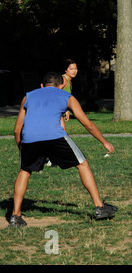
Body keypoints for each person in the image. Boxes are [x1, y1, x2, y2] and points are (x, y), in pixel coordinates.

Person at [10, 72, 117, 227]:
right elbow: (88, 124)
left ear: (42, 85)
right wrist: (104, 142)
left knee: (25, 171)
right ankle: (99, 207)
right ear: (62, 86)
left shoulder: (28, 97)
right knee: (82, 164)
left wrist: (21, 147)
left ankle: (15, 216)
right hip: (55, 137)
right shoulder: (67, 97)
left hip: (29, 139)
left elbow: (16, 130)